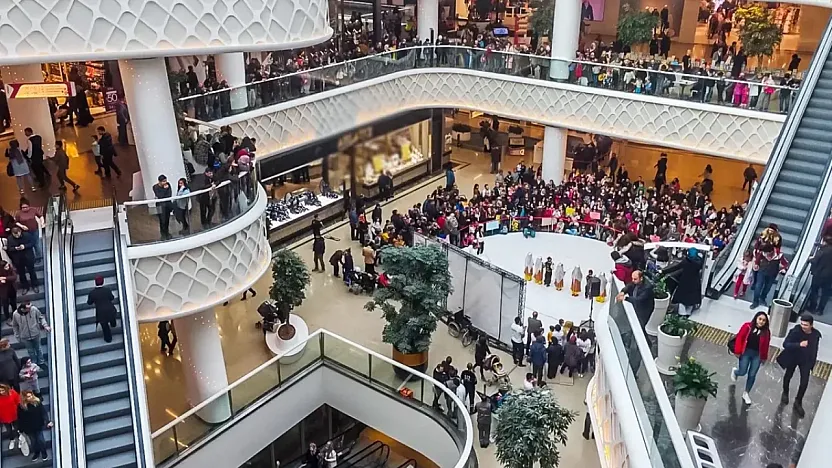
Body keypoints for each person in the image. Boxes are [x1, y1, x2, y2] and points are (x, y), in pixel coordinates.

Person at [777, 314, 822, 417]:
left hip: (805, 361)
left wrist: (812, 363)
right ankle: (785, 392)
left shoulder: (815, 335)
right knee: (788, 375)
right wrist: (799, 344)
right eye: (802, 324)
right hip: (794, 357)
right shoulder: (795, 331)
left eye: (806, 325)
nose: (803, 327)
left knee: (804, 382)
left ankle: (798, 401)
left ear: (811, 325)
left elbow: (815, 349)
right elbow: (785, 344)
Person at [731, 311, 770, 405]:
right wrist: (737, 351)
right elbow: (740, 338)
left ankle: (746, 393)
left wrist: (764, 357)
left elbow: (766, 345)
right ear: (756, 318)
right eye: (760, 319)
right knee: (743, 371)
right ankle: (736, 372)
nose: (761, 322)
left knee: (752, 374)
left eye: (763, 320)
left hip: (757, 355)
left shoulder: (766, 332)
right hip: (746, 352)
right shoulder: (747, 326)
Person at [661, 248, 703, 316]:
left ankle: (682, 313)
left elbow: (676, 267)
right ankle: (688, 313)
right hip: (695, 283)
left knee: (681, 299)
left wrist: (663, 271)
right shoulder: (699, 262)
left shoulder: (686, 261)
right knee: (691, 300)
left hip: (685, 282)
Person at [12, 301, 50, 366]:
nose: (30, 309)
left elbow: (41, 317)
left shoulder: (34, 309)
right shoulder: (15, 314)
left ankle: (41, 362)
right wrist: (17, 336)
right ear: (23, 309)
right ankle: (34, 363)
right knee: (30, 351)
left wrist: (45, 325)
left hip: (35, 333)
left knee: (39, 349)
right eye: (28, 308)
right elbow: (15, 326)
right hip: (25, 336)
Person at [17, 390, 50, 461]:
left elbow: (43, 412)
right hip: (29, 428)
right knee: (33, 442)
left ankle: (44, 453)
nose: (31, 397)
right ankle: (36, 453)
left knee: (41, 440)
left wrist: (47, 421)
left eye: (31, 395)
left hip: (38, 425)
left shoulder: (37, 402)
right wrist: (21, 429)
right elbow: (20, 418)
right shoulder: (21, 407)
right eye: (28, 396)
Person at [87, 275, 118, 343]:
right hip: (110, 309)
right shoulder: (107, 290)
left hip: (101, 313)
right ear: (103, 282)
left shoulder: (92, 293)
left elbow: (89, 302)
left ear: (95, 282)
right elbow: (112, 298)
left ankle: (108, 339)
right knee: (112, 317)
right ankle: (113, 324)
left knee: (105, 326)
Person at [6, 227, 37, 294]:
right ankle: (25, 287)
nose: (17, 236)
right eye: (15, 235)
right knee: (21, 274)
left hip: (28, 257)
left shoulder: (27, 235)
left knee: (32, 272)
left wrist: (25, 246)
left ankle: (34, 285)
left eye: (18, 234)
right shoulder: (10, 238)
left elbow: (32, 243)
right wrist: (15, 248)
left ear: (20, 232)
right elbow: (9, 249)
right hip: (18, 259)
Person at [805, 237, 832, 315]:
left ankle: (813, 307)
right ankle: (820, 310)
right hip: (829, 276)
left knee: (815, 291)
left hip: (819, 274)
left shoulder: (822, 251)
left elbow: (815, 260)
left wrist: (809, 259)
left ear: (825, 242)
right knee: (825, 293)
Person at [153, 175, 174, 240]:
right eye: (163, 181)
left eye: (166, 181)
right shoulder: (155, 187)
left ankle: (167, 233)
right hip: (160, 206)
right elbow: (160, 196)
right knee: (162, 221)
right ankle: (163, 234)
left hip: (167, 205)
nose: (165, 182)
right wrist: (165, 189)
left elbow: (169, 195)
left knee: (167, 220)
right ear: (159, 181)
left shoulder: (168, 185)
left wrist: (165, 191)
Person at [0, 384, 20, 450]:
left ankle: (20, 439)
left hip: (14, 415)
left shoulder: (12, 393)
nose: (1, 392)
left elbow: (18, 401)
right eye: (0, 391)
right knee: (9, 431)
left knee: (17, 428)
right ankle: (12, 440)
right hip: (4, 417)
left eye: (2, 390)